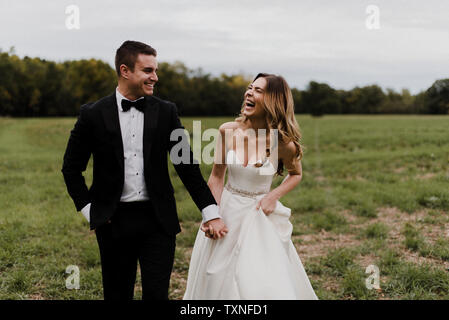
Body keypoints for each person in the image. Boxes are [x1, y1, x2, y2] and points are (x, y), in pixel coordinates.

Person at [61, 40, 227, 300]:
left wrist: (211, 212)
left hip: (158, 221)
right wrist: (89, 210)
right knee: (117, 295)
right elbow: (71, 168)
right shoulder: (92, 114)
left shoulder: (166, 112)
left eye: (156, 70)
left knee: (157, 295)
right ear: (125, 71)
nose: (155, 77)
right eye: (148, 71)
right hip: (112, 221)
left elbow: (186, 166)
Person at [183, 73, 318, 299]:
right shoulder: (228, 130)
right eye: (249, 88)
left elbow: (296, 175)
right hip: (226, 210)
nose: (249, 92)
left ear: (274, 101)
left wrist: (272, 196)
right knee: (214, 275)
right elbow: (217, 177)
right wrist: (211, 214)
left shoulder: (282, 143)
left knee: (256, 280)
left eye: (258, 90)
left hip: (258, 217)